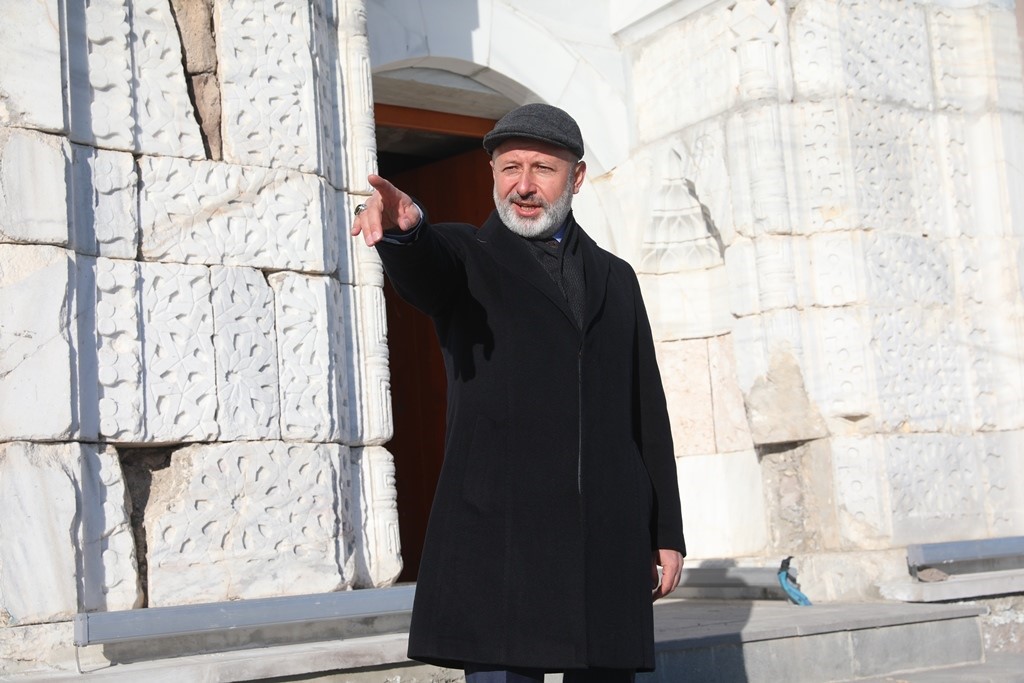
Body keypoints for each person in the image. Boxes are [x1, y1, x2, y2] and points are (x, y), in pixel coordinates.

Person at [351, 103, 685, 683]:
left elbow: (646, 411)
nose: (523, 186)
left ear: (576, 178)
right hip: (500, 543)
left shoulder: (617, 278)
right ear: (492, 174)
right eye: (510, 167)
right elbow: (427, 267)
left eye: (542, 168)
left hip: (605, 538)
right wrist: (408, 231)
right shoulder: (466, 255)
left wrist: (665, 532)